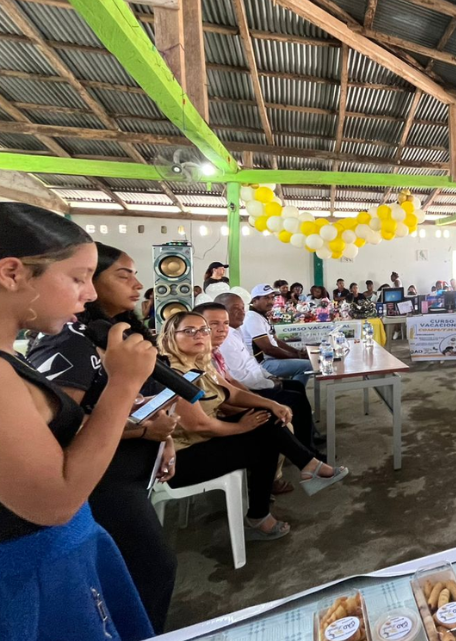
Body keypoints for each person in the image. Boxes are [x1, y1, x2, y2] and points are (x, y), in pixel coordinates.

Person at [0, 203, 156, 641]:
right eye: (78, 277)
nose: (88, 294)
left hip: (60, 557)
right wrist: (122, 385)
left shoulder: (10, 359)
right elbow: (54, 502)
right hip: (29, 576)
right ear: (12, 273)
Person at [28, 244, 177, 632]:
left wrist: (164, 439)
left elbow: (137, 400)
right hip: (100, 480)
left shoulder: (119, 334)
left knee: (139, 571)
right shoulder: (69, 341)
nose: (137, 285)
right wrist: (144, 430)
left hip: (131, 468)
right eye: (123, 276)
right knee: (152, 569)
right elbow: (64, 426)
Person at [159, 312, 346, 534]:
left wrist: (271, 404)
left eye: (203, 330)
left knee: (267, 419)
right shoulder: (172, 373)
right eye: (189, 331)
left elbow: (232, 393)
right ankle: (262, 511)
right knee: (265, 443)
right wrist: (240, 427)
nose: (199, 335)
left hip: (205, 438)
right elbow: (198, 425)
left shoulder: (199, 363)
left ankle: (306, 468)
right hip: (181, 458)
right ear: (171, 336)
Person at [203, 295, 319, 454]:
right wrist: (270, 384)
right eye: (235, 309)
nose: (242, 312)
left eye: (242, 308)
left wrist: (269, 377)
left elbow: (251, 362)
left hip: (255, 381)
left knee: (296, 386)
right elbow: (240, 378)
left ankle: (307, 436)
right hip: (248, 389)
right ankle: (306, 447)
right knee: (295, 398)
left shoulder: (235, 332)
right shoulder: (224, 340)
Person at [243, 284, 312, 385]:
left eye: (272, 298)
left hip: (270, 359)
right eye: (266, 298)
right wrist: (296, 356)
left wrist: (296, 353)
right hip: (262, 364)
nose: (271, 302)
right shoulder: (252, 318)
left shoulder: (261, 316)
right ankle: (294, 392)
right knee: (307, 366)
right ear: (254, 300)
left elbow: (276, 341)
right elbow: (269, 349)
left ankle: (291, 390)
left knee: (301, 363)